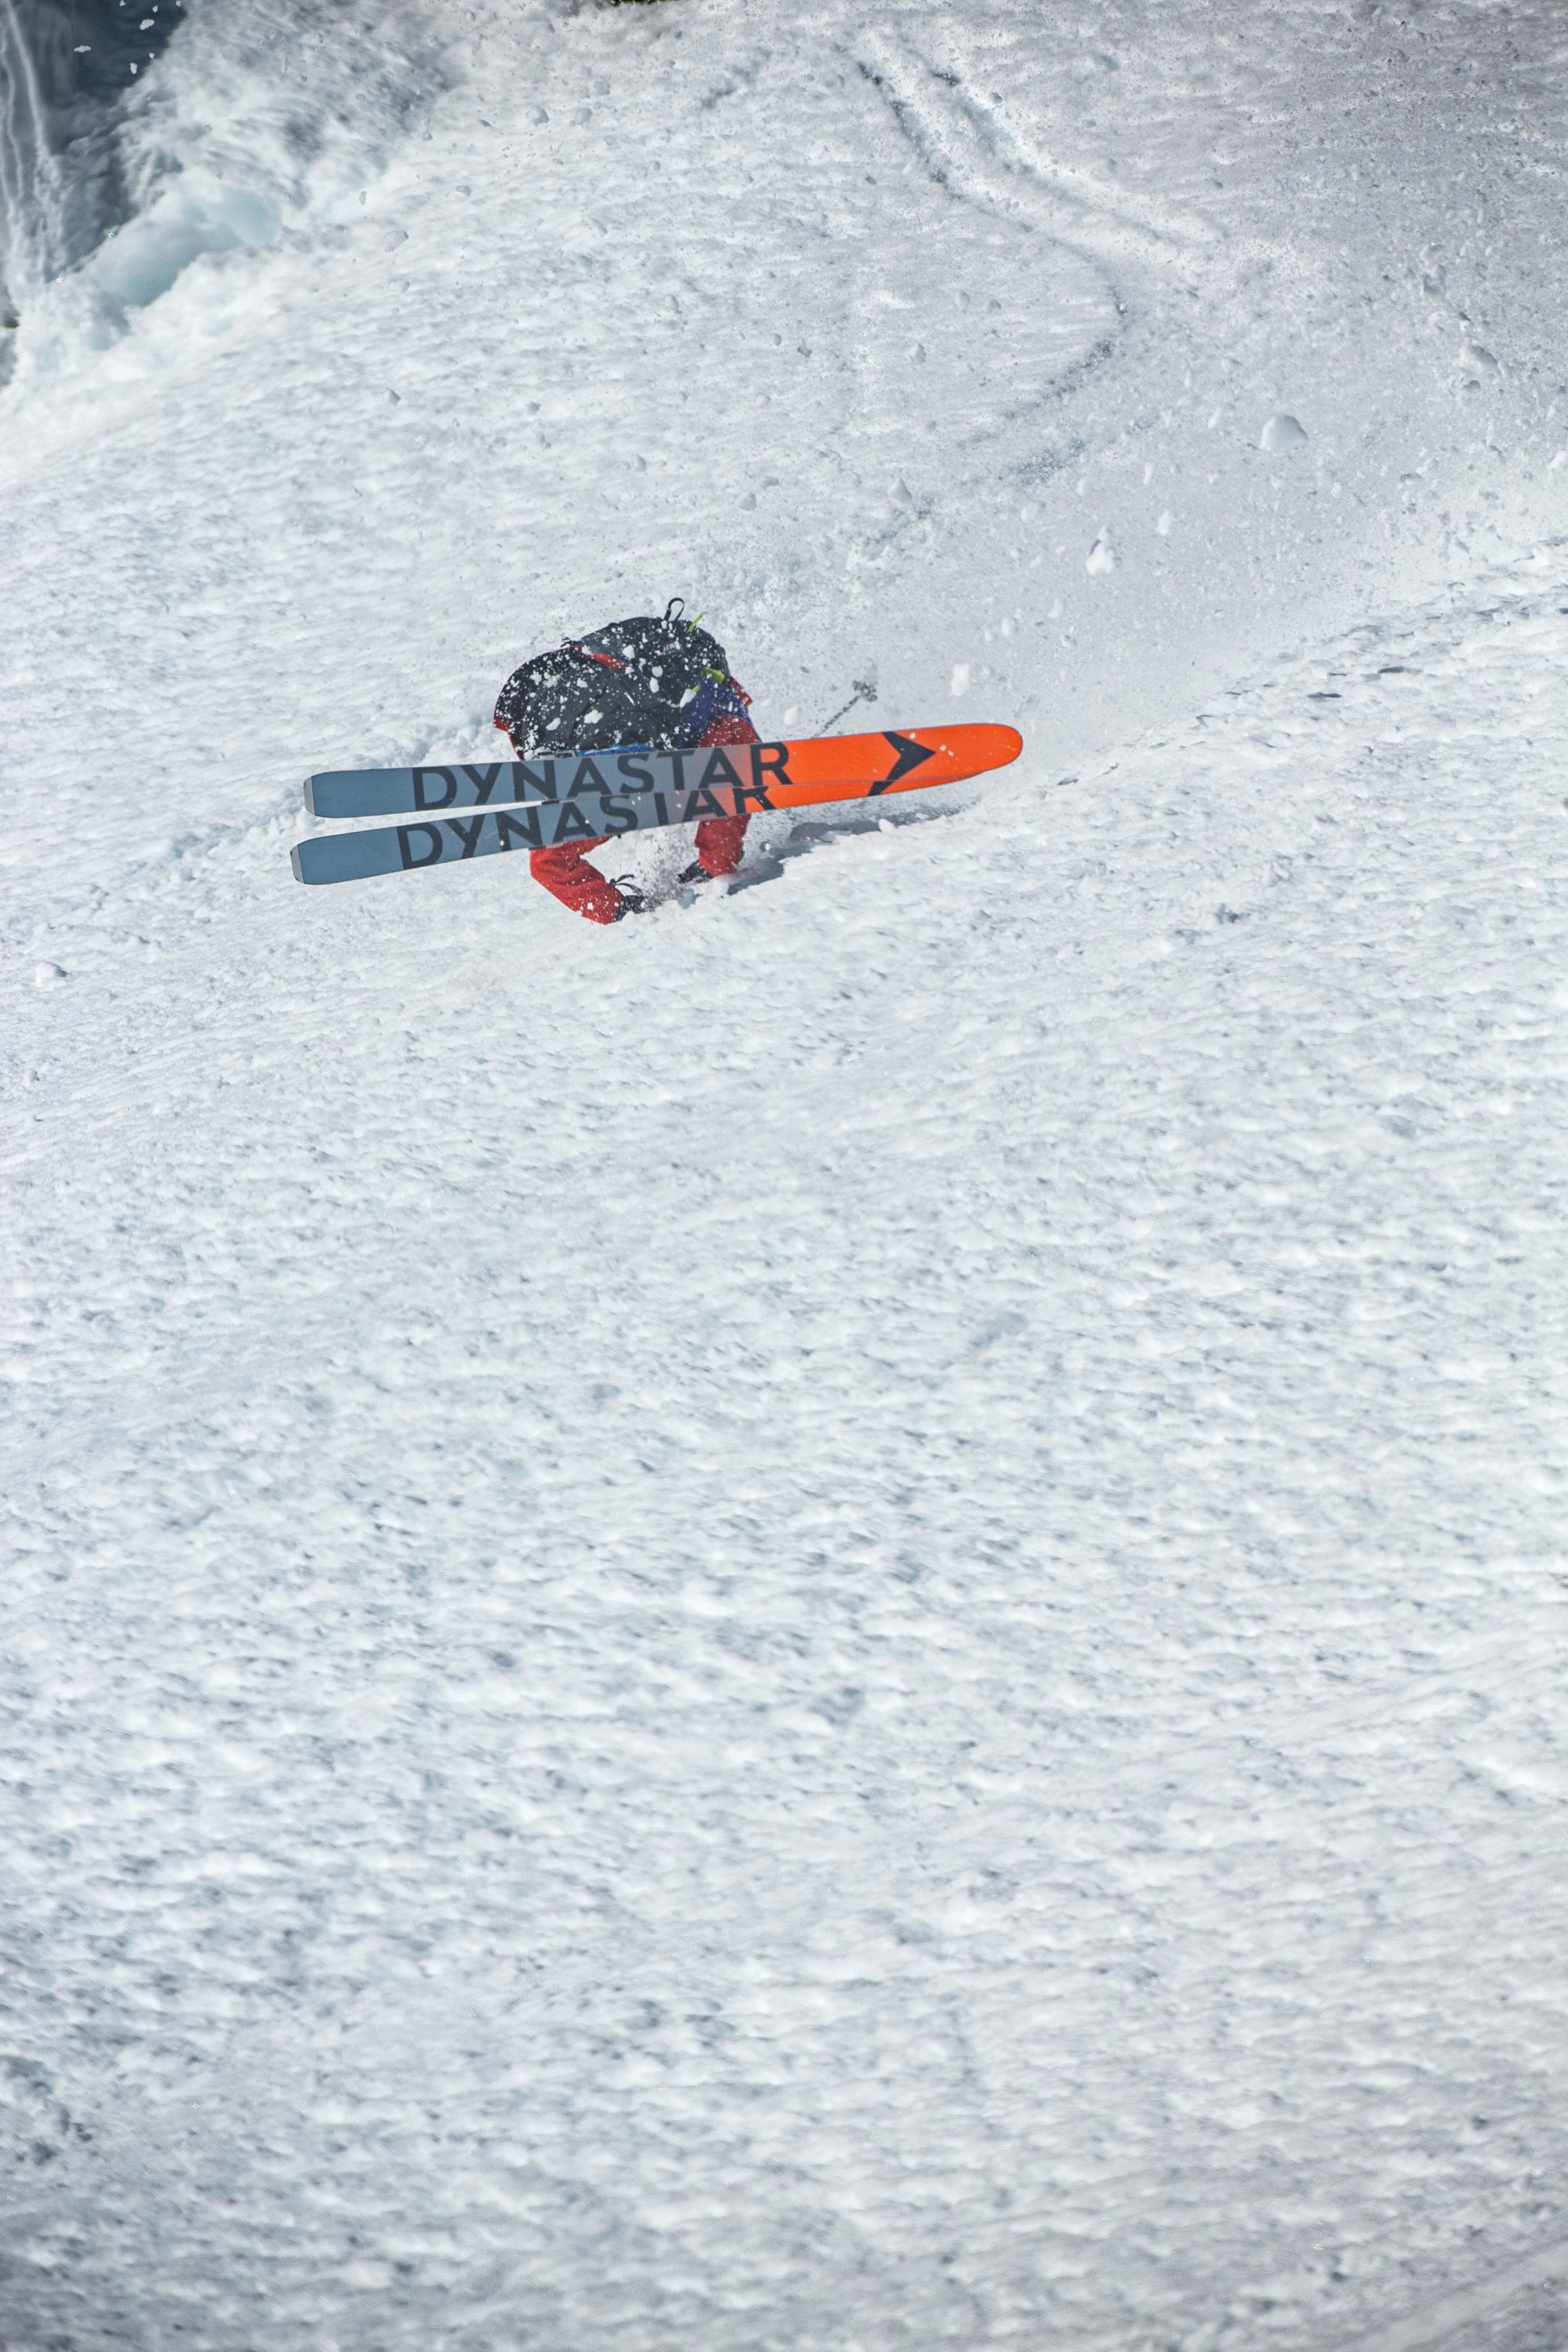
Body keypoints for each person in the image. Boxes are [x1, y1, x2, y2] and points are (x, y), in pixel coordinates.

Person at [493, 601, 759, 924]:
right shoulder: (711, 695)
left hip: (606, 766)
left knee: (548, 857)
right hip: (644, 761)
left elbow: (547, 863)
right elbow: (738, 762)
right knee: (733, 756)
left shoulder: (656, 679)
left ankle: (618, 909)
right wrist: (717, 865)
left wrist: (617, 911)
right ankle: (701, 869)